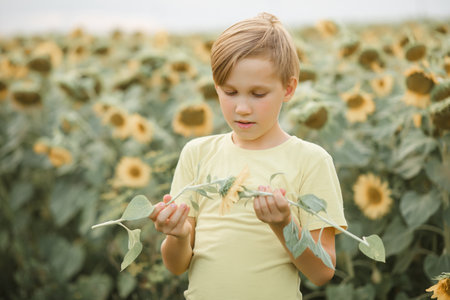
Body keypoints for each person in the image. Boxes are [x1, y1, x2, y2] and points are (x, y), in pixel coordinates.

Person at [149, 12, 347, 300]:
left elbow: (322, 272)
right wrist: (177, 234)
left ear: (288, 88)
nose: (242, 108)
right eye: (230, 92)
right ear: (216, 87)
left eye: (257, 94)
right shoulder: (197, 153)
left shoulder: (311, 160)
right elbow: (176, 265)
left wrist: (284, 224)